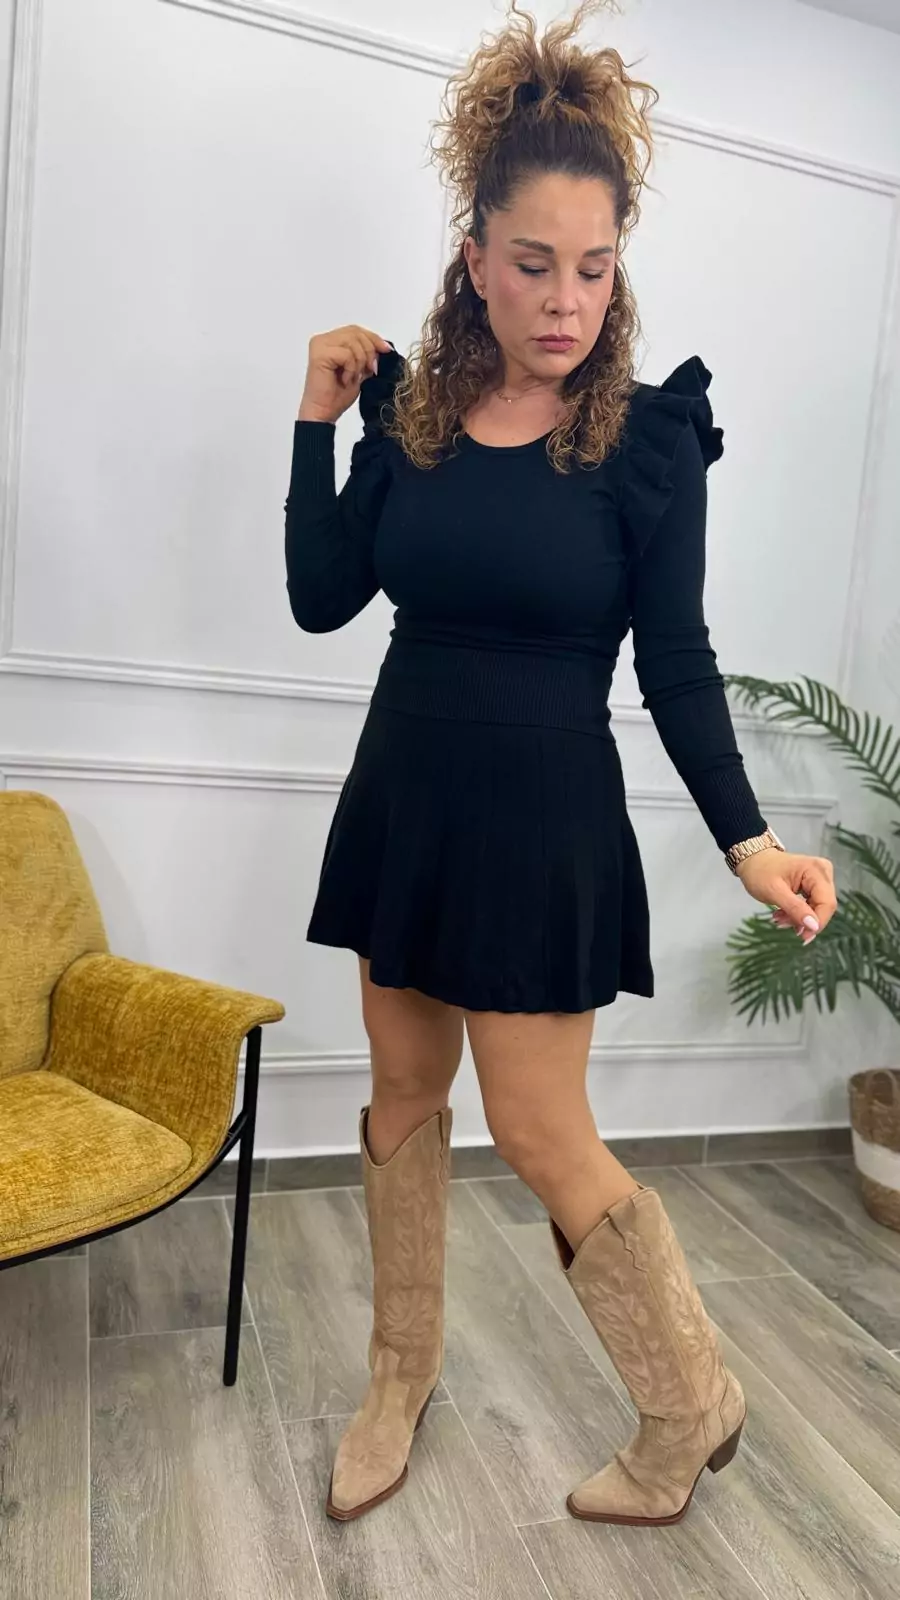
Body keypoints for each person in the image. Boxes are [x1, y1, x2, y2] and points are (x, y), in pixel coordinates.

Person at [284, 0, 837, 1531]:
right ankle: (399, 1374)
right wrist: (316, 423)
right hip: (404, 800)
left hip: (543, 826)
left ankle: (688, 1405)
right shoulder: (411, 414)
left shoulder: (646, 442)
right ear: (475, 257)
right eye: (535, 263)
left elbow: (677, 661)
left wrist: (748, 842)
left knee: (541, 1131)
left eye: (595, 268)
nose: (567, 300)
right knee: (404, 1094)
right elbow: (324, 596)